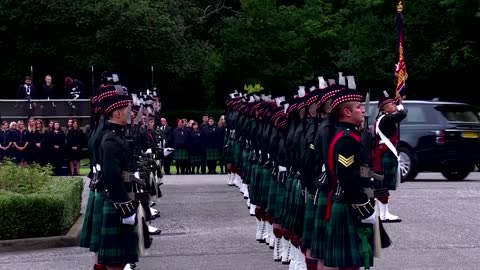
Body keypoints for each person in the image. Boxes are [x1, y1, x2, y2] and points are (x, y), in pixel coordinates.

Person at [323, 88, 376, 270]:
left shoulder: (352, 136)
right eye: (359, 107)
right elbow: (348, 178)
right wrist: (365, 208)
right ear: (347, 112)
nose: (363, 110)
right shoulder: (347, 139)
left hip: (349, 203)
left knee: (352, 264)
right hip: (349, 204)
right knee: (349, 265)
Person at [97, 94, 139, 269]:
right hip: (117, 202)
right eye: (125, 110)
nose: (129, 114)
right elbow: (113, 176)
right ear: (117, 114)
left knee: (120, 261)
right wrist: (125, 208)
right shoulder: (110, 140)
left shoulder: (116, 135)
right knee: (116, 263)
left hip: (121, 199)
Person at [373, 93, 407, 222]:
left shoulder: (384, 118)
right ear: (385, 108)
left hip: (386, 155)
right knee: (383, 185)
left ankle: (384, 212)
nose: (394, 106)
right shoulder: (386, 119)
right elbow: (402, 115)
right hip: (385, 156)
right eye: (391, 104)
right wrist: (400, 107)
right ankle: (383, 214)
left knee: (384, 186)